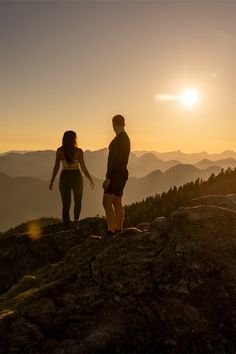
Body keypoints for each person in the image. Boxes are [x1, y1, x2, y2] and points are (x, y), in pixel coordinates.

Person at [49, 130, 94, 229]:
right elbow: (83, 167)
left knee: (66, 202)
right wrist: (89, 178)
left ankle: (67, 224)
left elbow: (56, 166)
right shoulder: (78, 151)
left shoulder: (60, 150)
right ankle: (76, 222)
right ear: (74, 139)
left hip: (65, 176)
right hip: (76, 176)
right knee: (78, 201)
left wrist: (52, 180)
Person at [103, 115, 130, 235]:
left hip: (116, 175)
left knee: (106, 202)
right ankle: (119, 229)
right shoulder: (125, 138)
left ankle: (111, 230)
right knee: (117, 201)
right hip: (122, 173)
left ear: (113, 124)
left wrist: (108, 178)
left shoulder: (120, 139)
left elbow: (115, 160)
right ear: (123, 123)